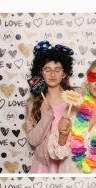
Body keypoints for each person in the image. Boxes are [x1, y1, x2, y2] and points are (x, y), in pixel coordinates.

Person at [25, 41, 75, 174]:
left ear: (64, 73)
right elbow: (33, 141)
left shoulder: (74, 99)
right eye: (47, 70)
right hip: (43, 167)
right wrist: (45, 115)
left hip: (69, 164)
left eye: (57, 70)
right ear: (41, 72)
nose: (52, 74)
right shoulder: (32, 103)